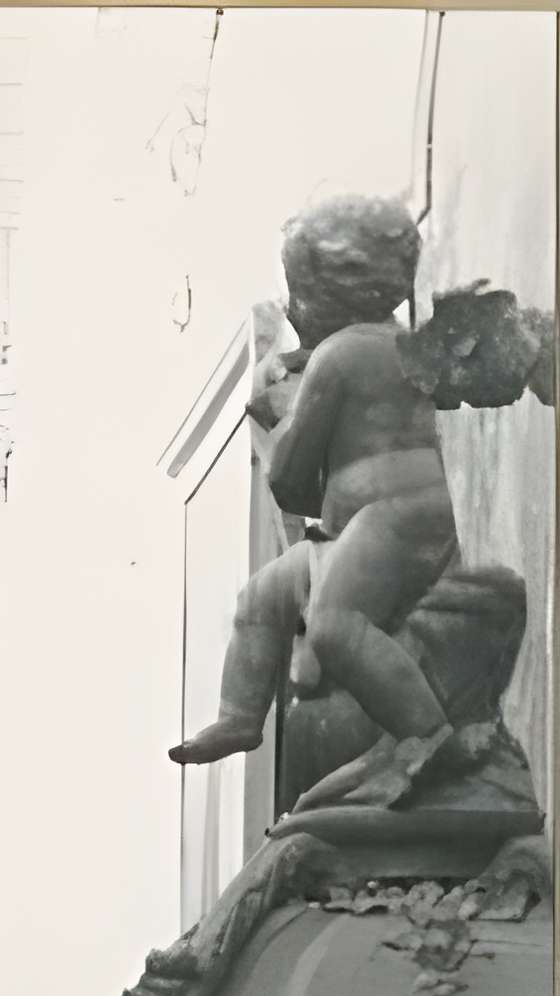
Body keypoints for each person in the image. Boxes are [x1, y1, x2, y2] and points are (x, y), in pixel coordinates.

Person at [170, 193, 459, 807]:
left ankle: (428, 737)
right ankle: (241, 718)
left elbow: (292, 478)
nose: (291, 307)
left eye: (295, 291)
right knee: (264, 597)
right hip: (382, 523)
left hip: (392, 519)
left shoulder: (340, 355)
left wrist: (278, 419)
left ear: (324, 294)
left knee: (333, 627)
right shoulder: (401, 345)